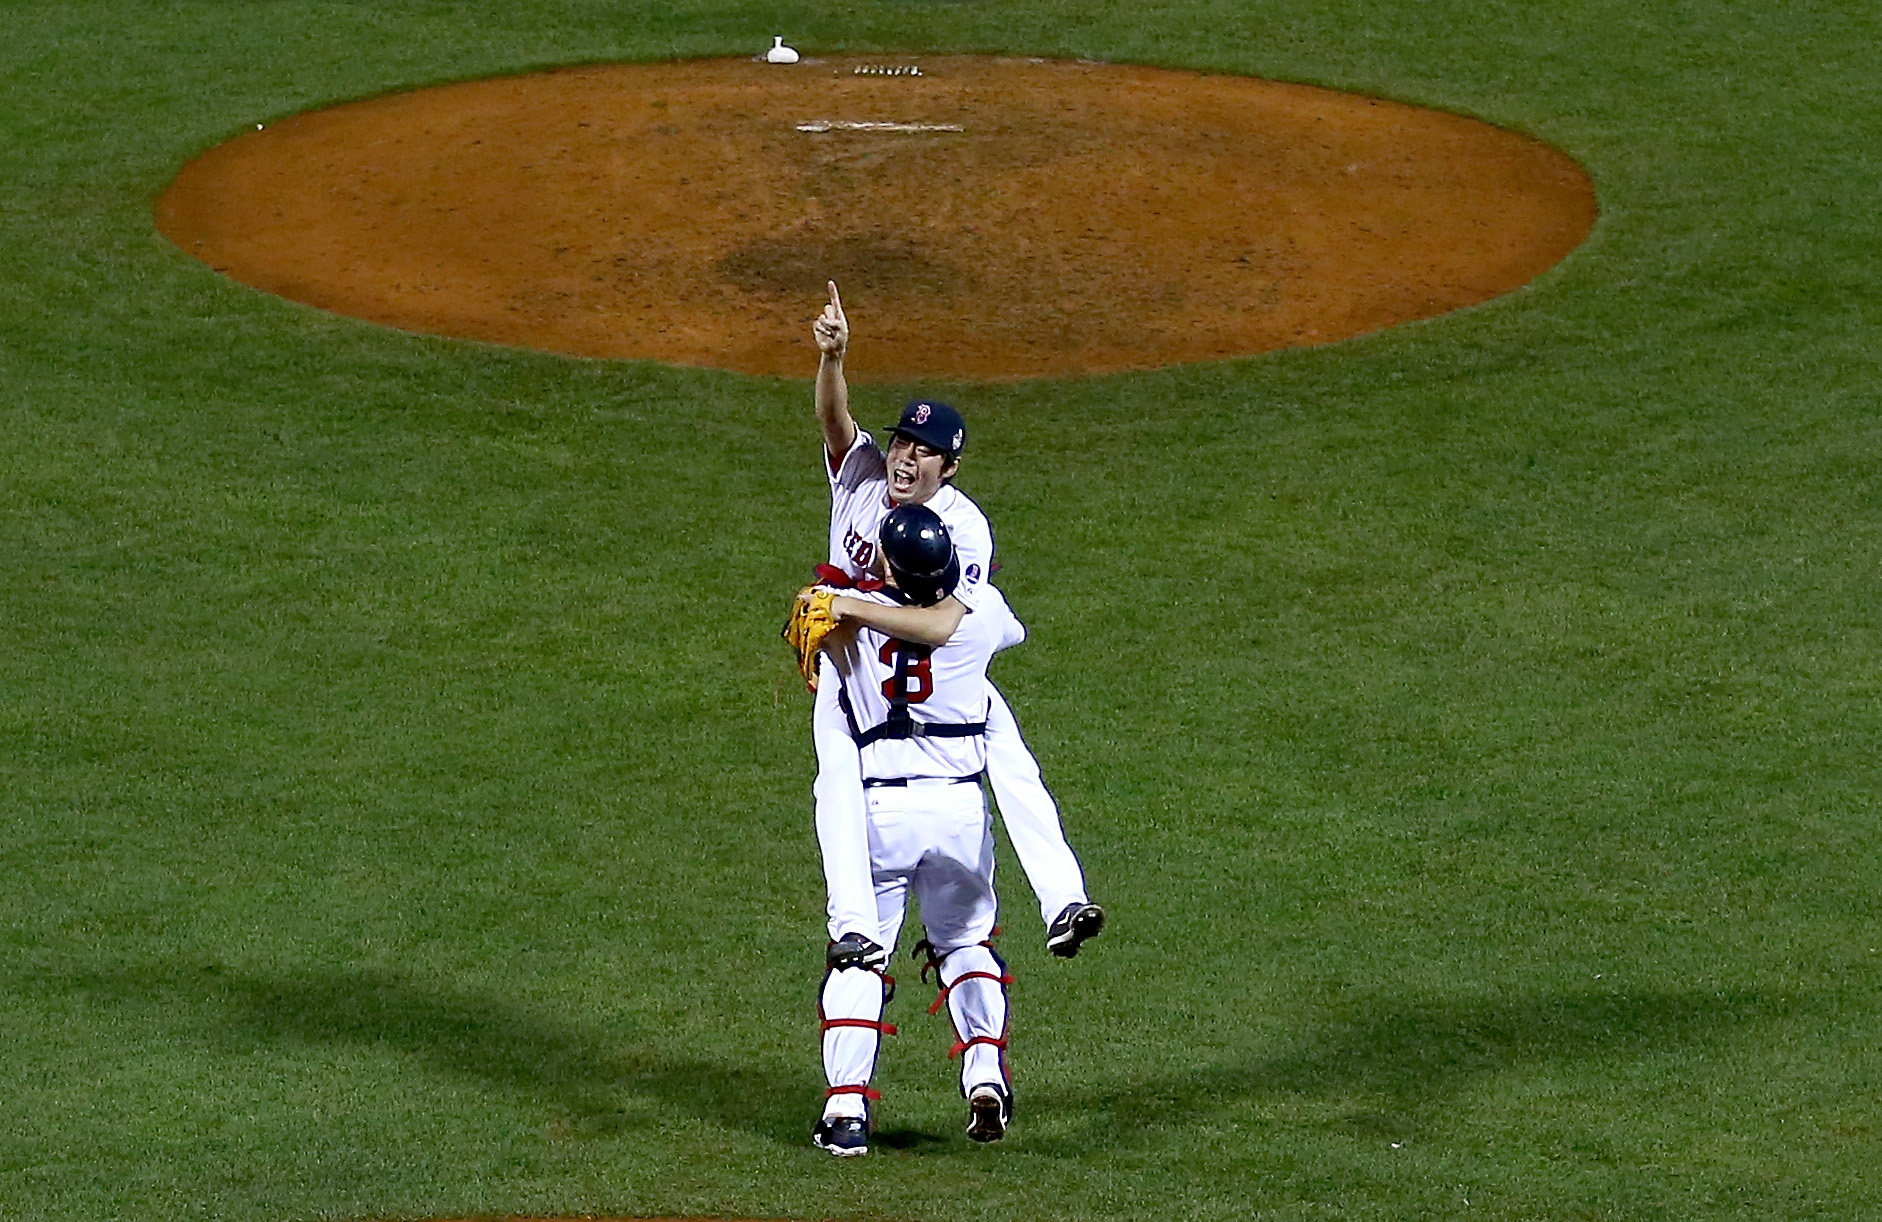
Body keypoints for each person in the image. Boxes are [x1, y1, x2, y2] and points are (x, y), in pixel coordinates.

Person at [807, 281, 1104, 970]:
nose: (906, 457)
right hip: (856, 669)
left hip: (910, 654)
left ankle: (1062, 900)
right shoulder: (862, 474)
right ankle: (855, 919)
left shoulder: (964, 527)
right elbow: (833, 422)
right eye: (903, 441)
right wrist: (833, 360)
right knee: (845, 769)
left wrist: (846, 607)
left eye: (924, 450)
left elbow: (941, 626)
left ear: (950, 467)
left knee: (1003, 744)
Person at [812, 505, 1024, 1156]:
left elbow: (820, 649)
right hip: (959, 809)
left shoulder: (849, 617)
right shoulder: (977, 615)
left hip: (881, 811)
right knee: (964, 942)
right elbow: (1005, 628)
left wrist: (834, 615)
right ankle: (984, 1073)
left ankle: (847, 1110)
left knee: (861, 954)